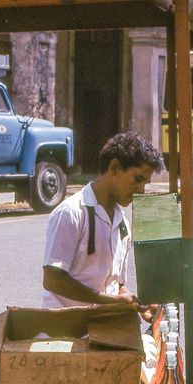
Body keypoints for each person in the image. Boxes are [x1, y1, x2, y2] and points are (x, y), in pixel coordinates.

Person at [42, 131, 163, 308]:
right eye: (137, 179)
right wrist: (108, 300)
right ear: (114, 167)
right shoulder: (72, 212)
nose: (141, 190)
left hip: (104, 326)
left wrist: (132, 302)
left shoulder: (123, 225)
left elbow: (116, 285)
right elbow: (52, 279)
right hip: (65, 328)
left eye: (144, 184)